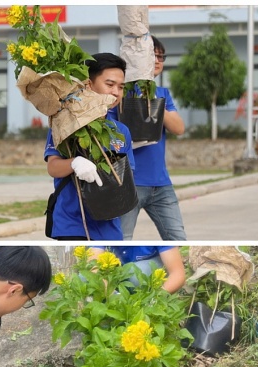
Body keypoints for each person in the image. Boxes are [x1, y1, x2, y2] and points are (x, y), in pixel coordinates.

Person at [43, 53, 136, 240]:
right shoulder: (66, 123)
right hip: (73, 225)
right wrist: (74, 162)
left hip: (110, 228)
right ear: (89, 85)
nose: (116, 92)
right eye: (109, 85)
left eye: (120, 87)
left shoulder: (121, 130)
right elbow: (53, 167)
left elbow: (127, 174)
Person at [118, 36, 187, 240]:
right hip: (130, 184)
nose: (158, 61)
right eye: (152, 55)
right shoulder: (122, 92)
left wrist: (153, 101)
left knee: (178, 239)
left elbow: (178, 128)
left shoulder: (162, 94)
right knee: (122, 241)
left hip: (161, 184)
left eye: (161, 56)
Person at [92, 246, 186, 294]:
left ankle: (142, 301)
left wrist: (157, 297)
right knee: (84, 278)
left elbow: (178, 273)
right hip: (119, 270)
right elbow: (93, 266)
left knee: (134, 275)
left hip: (150, 265)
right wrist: (112, 295)